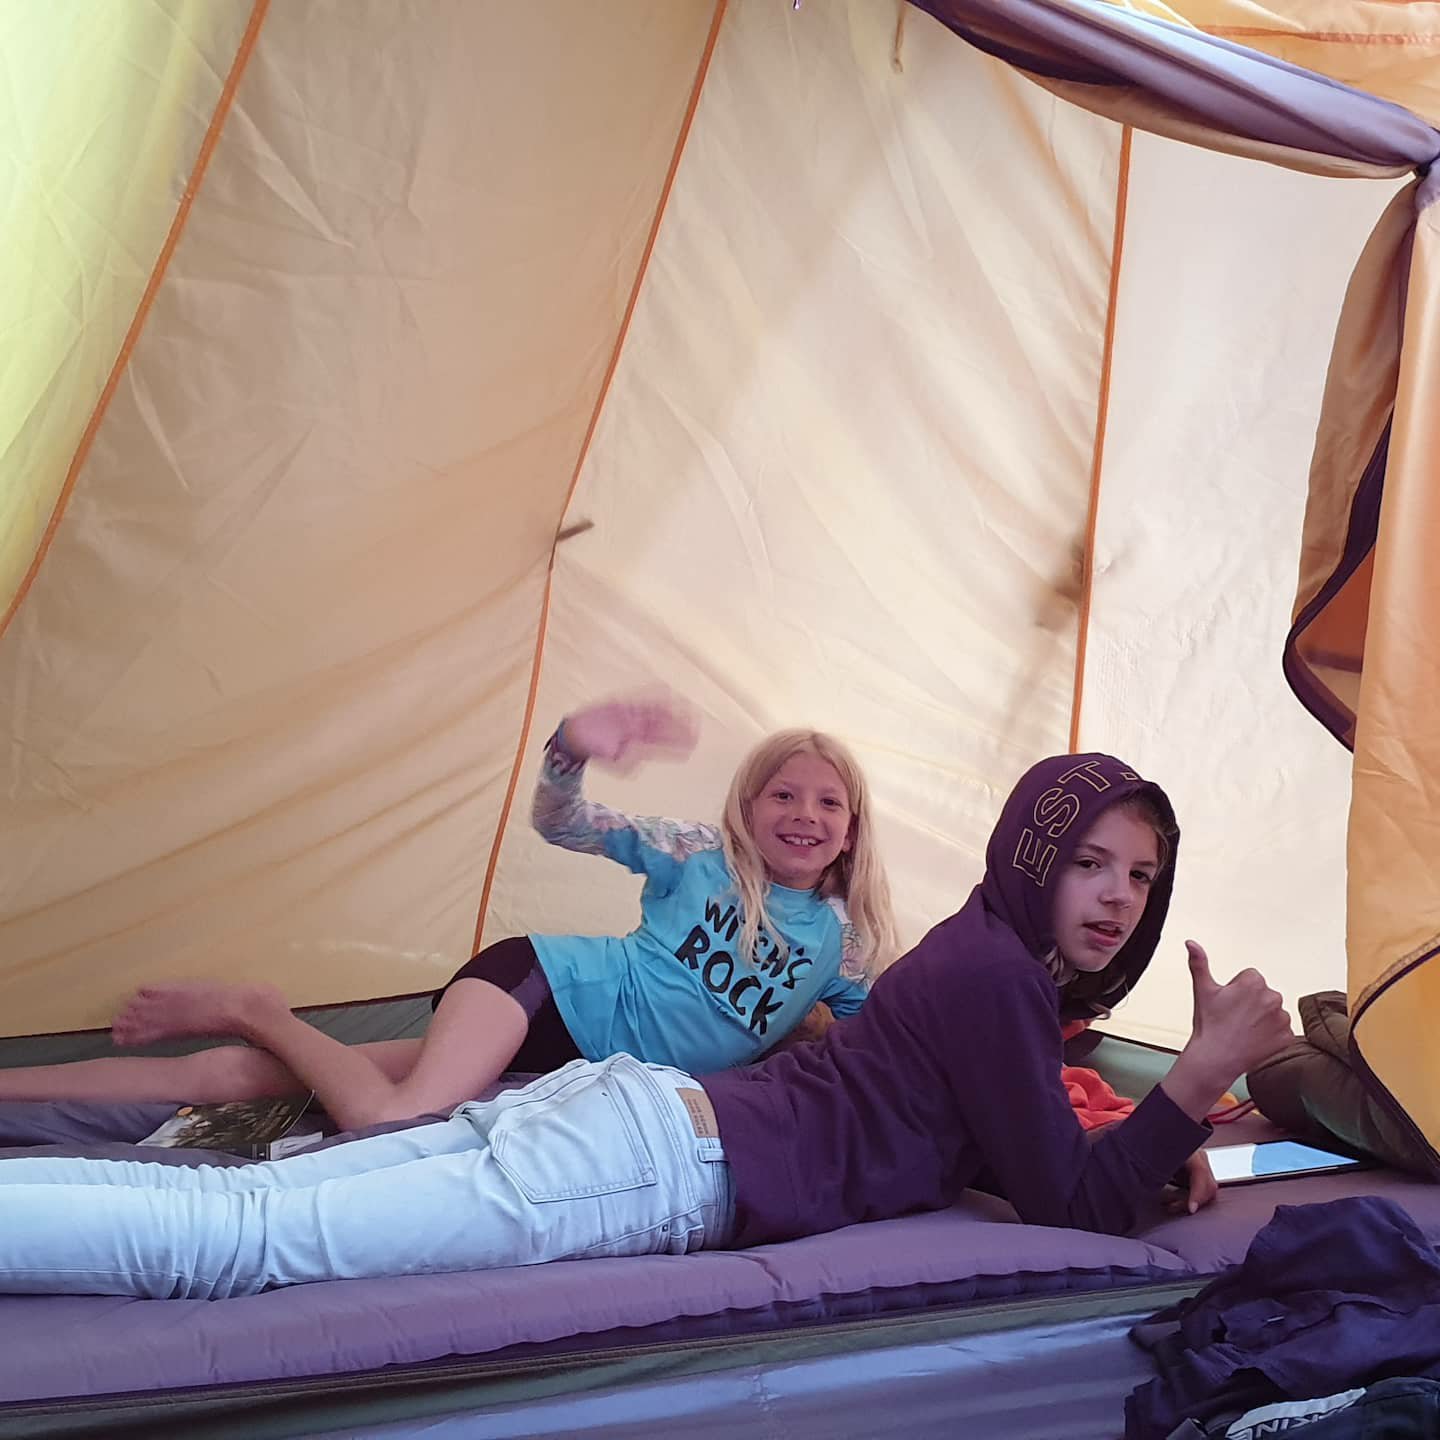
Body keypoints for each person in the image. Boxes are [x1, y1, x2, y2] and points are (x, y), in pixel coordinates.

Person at [0, 752, 1292, 1299]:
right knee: (243, 1242)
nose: (1117, 898)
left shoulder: (969, 955)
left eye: (1142, 875)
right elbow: (1067, 1205)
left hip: (628, 1114)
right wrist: (1194, 1082)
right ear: (1034, 855)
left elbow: (1023, 1159)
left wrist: (1149, 1143)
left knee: (252, 1207)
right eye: (1092, 864)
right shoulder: (995, 978)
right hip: (653, 1160)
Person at [0, 698, 897, 1131]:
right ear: (748, 807)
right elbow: (564, 823)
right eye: (783, 794)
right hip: (540, 987)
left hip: (573, 1062)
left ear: (853, 828)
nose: (804, 815)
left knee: (252, 1082)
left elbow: (879, 1040)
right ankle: (258, 1009)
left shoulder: (844, 945)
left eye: (828, 803)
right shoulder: (698, 855)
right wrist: (568, 750)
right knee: (395, 1121)